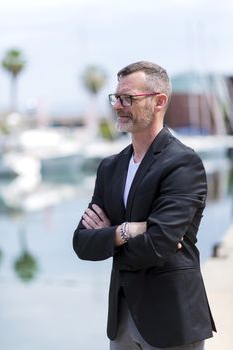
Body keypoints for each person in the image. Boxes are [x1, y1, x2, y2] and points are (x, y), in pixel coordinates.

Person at [72, 61, 216, 350]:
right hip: (122, 318)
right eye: (116, 98)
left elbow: (158, 245)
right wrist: (127, 231)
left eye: (129, 98)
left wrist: (110, 236)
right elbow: (81, 243)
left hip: (171, 319)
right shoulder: (110, 167)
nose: (118, 106)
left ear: (159, 101)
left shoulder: (182, 164)